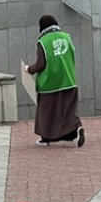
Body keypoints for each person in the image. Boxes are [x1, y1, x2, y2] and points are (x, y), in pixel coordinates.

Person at [24, 15, 85, 147]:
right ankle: (77, 128)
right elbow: (72, 55)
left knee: (47, 112)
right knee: (68, 110)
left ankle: (46, 138)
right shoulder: (66, 37)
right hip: (68, 80)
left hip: (50, 84)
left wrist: (29, 69)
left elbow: (41, 64)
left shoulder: (43, 41)